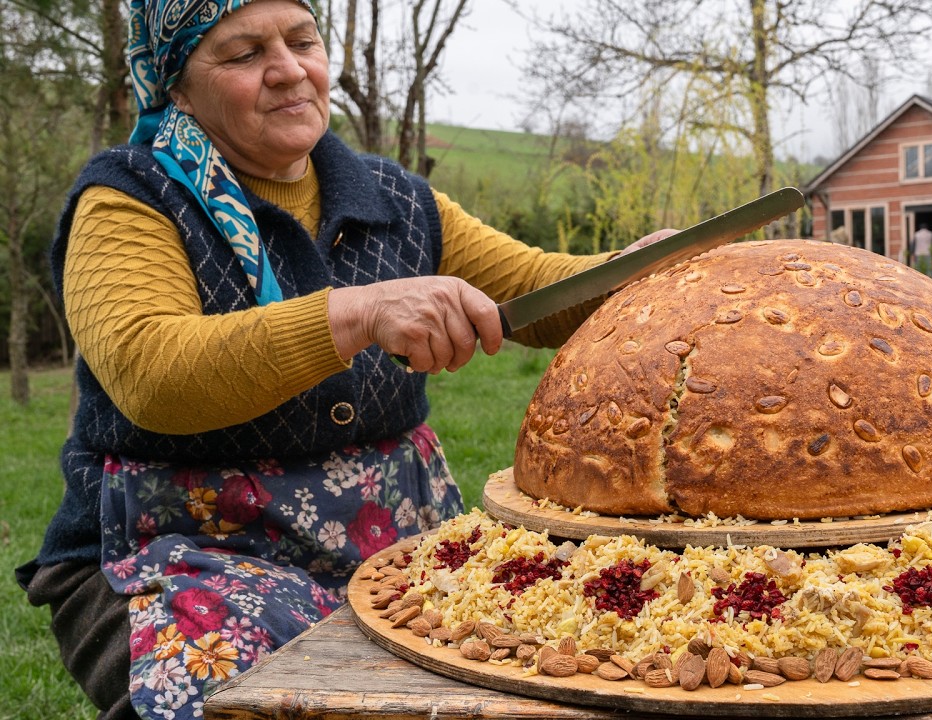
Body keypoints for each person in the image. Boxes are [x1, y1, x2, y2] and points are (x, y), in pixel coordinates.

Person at [14, 2, 672, 718]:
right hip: (180, 553)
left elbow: (539, 293)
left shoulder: (396, 199)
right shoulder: (131, 201)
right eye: (242, 54)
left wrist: (640, 269)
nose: (289, 70)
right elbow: (153, 374)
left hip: (394, 544)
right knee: (261, 702)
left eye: (302, 41)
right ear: (176, 85)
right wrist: (358, 311)